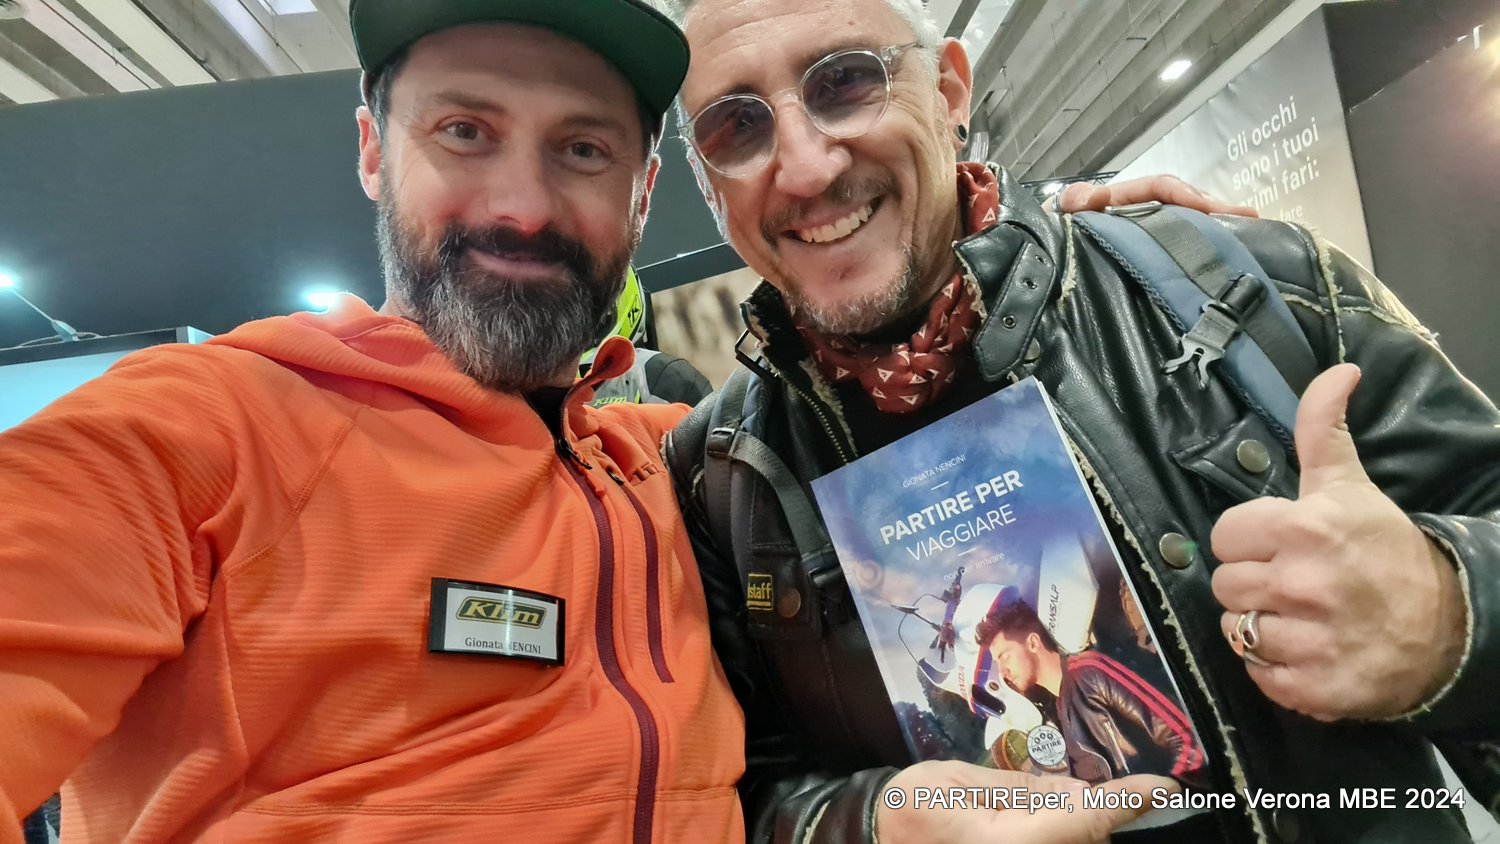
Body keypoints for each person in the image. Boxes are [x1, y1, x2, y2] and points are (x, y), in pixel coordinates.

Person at [659, 0, 1500, 841]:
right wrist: (876, 825)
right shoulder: (720, 480)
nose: (806, 169)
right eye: (737, 126)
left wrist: (1449, 615)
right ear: (708, 186)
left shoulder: (1239, 283)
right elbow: (733, 793)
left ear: (948, 92)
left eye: (846, 81)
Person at [0, 1, 749, 841]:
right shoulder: (201, 428)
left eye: (583, 150)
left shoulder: (673, 462)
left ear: (642, 194)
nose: (523, 208)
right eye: (465, 132)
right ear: (372, 151)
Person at [975, 599, 1202, 785]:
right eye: (997, 662)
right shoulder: (1059, 708)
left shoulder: (1090, 672)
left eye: (1004, 656)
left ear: (1033, 643)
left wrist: (1165, 809)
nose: (1002, 671)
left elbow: (1187, 739)